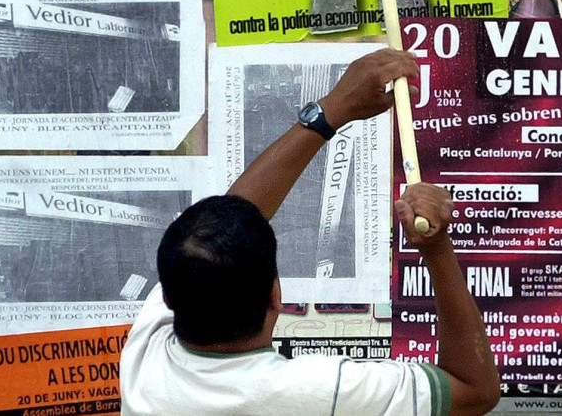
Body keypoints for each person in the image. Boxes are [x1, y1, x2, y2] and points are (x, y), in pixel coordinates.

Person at [120, 49, 501, 416]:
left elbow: (227, 225)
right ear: (276, 294)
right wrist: (437, 250)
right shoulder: (322, 392)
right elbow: (475, 390)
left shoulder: (145, 364)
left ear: (168, 298)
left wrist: (331, 112)